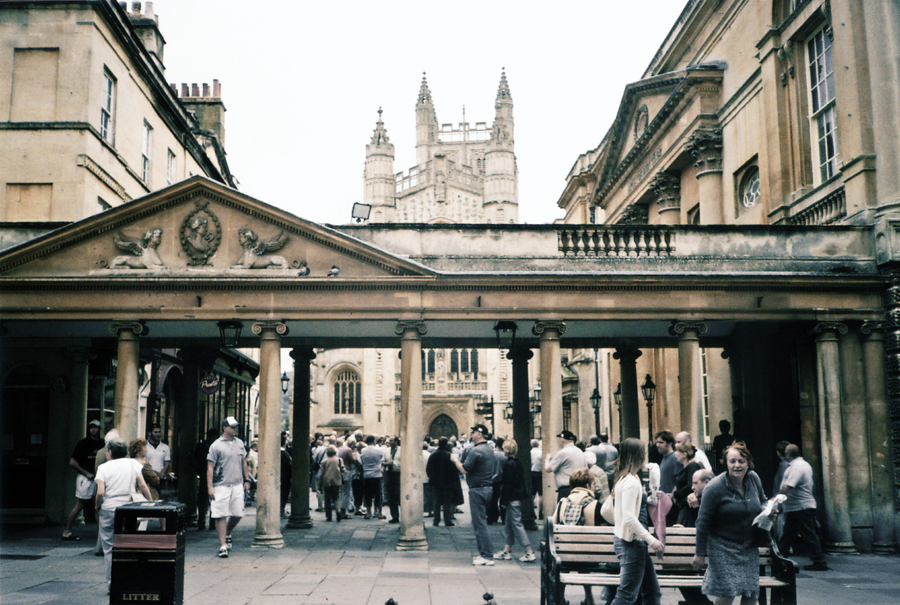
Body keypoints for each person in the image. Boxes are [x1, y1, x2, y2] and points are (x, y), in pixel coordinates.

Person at [692, 442, 771, 605]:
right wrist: (699, 553)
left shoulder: (754, 479)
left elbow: (763, 500)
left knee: (750, 594)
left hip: (749, 547)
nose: (737, 465)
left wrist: (768, 510)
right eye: (732, 461)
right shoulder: (715, 487)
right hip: (722, 547)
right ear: (726, 463)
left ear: (748, 463)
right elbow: (702, 522)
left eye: (741, 461)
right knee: (727, 593)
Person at [610, 438, 665, 605]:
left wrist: (648, 499)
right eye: (644, 453)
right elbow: (629, 517)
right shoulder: (631, 482)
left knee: (652, 592)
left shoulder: (625, 478)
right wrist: (651, 540)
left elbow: (627, 511)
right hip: (632, 543)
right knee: (627, 596)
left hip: (631, 543)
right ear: (638, 456)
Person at [95, 439, 153, 591]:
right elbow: (142, 485)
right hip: (127, 508)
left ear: (110, 452)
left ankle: (111, 585)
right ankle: (128, 581)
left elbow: (100, 492)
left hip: (108, 508)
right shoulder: (133, 464)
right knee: (127, 546)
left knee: (109, 549)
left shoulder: (102, 468)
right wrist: (151, 502)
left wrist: (97, 506)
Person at [552, 468, 603, 605]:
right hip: (589, 559)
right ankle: (589, 598)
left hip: (564, 558)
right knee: (584, 558)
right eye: (593, 484)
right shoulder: (596, 505)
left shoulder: (562, 503)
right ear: (588, 486)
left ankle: (560, 598)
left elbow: (552, 528)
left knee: (563, 560)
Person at [777, 444, 828, 571]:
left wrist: (776, 499)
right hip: (796, 507)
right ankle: (779, 558)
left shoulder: (797, 467)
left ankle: (820, 561)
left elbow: (789, 485)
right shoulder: (802, 465)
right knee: (788, 534)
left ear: (788, 454)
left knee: (808, 535)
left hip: (801, 507)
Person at [207, 416, 251, 559]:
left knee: (237, 513)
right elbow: (210, 467)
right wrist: (210, 487)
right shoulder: (216, 445)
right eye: (232, 427)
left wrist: (247, 479)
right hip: (221, 485)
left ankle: (228, 531)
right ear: (224, 428)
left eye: (235, 427)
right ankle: (223, 545)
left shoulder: (239, 443)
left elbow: (244, 462)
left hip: (237, 483)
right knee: (220, 514)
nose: (235, 429)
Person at [455, 424, 497, 566]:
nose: (471, 435)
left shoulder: (476, 451)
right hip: (487, 488)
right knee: (480, 522)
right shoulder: (489, 449)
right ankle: (484, 553)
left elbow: (464, 469)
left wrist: (454, 460)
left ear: (479, 434)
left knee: (479, 524)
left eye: (473, 433)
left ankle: (487, 555)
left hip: (478, 490)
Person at [494, 439, 537, 562]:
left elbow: (507, 485)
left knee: (517, 524)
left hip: (511, 498)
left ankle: (529, 551)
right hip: (517, 497)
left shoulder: (508, 465)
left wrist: (503, 501)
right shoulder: (518, 463)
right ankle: (506, 550)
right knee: (509, 524)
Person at [62, 420, 104, 541]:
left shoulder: (103, 443)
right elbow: (72, 461)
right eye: (91, 427)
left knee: (97, 506)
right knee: (80, 504)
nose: (93, 429)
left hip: (98, 478)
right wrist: (86, 473)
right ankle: (67, 531)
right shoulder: (83, 443)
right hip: (85, 478)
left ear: (100, 429)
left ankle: (102, 533)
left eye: (96, 427)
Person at [544, 430, 587, 501]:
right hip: (580, 489)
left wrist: (547, 460)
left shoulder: (562, 453)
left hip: (566, 489)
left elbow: (548, 469)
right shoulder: (580, 452)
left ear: (562, 440)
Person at [193, 428, 220, 530]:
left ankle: (201, 522)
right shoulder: (218, 446)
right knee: (214, 498)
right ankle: (213, 522)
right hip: (216, 475)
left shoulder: (201, 445)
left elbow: (195, 459)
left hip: (204, 474)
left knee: (202, 499)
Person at [426, 437, 458, 526]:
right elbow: (454, 470)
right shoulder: (449, 455)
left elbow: (428, 469)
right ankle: (447, 520)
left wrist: (432, 478)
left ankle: (436, 520)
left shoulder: (433, 454)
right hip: (447, 482)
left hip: (435, 482)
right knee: (446, 502)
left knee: (436, 501)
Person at [673, 442, 704, 527]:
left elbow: (690, 486)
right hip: (685, 505)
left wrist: (676, 494)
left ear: (684, 454)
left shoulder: (692, 466)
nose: (675, 453)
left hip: (688, 506)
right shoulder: (688, 466)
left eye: (677, 451)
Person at [359, 435, 384, 519]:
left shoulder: (363, 450)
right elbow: (381, 458)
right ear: (374, 441)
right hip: (377, 474)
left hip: (367, 475)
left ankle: (368, 512)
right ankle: (378, 512)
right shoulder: (379, 450)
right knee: (378, 494)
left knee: (367, 494)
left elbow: (362, 460)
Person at [319, 445, 345, 522]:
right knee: (336, 497)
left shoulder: (324, 461)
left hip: (327, 482)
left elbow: (321, 474)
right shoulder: (339, 460)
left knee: (327, 499)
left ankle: (328, 516)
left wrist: (320, 485)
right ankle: (338, 510)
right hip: (336, 481)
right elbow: (343, 469)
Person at [383, 436, 401, 523]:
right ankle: (394, 516)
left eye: (391, 440)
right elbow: (382, 461)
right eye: (389, 440)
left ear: (396, 441)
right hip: (389, 474)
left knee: (399, 495)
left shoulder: (401, 450)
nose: (389, 442)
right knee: (391, 497)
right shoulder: (386, 450)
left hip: (398, 474)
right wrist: (386, 463)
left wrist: (393, 463)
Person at [530, 439, 543, 519]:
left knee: (532, 494)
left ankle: (532, 512)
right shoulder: (541, 452)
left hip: (531, 473)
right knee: (541, 494)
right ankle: (540, 512)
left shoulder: (530, 453)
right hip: (539, 473)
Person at [280, 432, 292, 517]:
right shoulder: (285, 454)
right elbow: (289, 466)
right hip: (285, 478)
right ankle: (281, 510)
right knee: (284, 495)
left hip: (277, 477)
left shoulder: (273, 453)